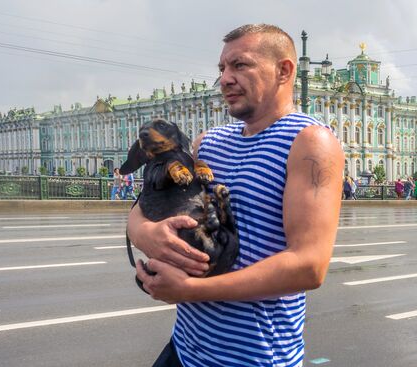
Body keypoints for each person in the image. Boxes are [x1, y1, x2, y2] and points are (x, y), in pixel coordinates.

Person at [127, 24, 344, 367]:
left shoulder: (310, 143)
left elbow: (308, 266)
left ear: (284, 71)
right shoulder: (207, 143)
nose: (225, 78)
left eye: (240, 65)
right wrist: (147, 234)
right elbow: (144, 204)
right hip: (184, 348)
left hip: (254, 358)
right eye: (222, 68)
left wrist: (189, 290)